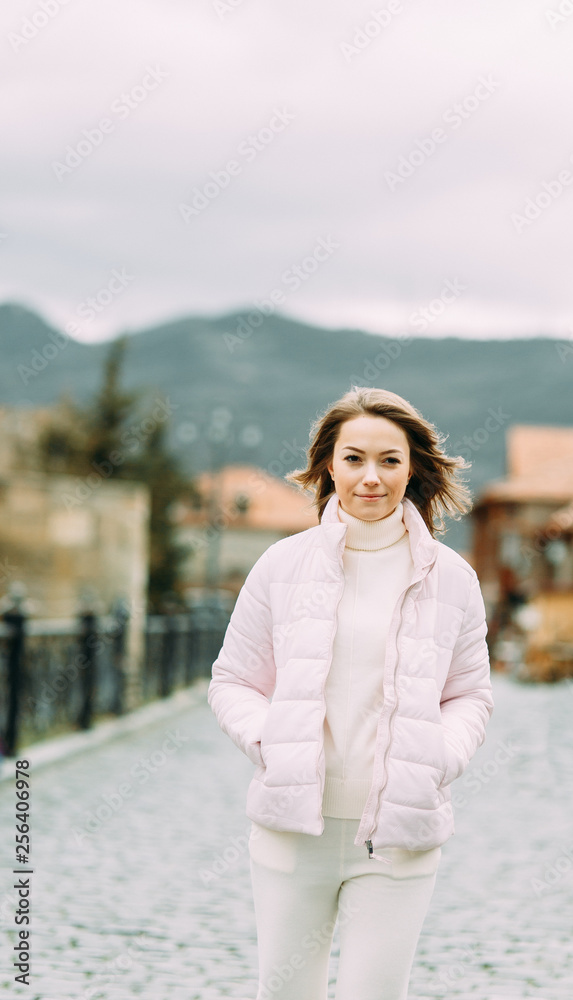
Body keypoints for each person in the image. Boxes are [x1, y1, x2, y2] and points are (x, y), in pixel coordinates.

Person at [208, 386, 494, 1000]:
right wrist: (271, 741)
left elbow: (469, 694)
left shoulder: (453, 578)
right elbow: (233, 681)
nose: (371, 477)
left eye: (389, 460)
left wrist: (441, 757)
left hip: (399, 840)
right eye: (354, 458)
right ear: (328, 466)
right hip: (293, 834)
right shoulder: (280, 566)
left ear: (411, 469)